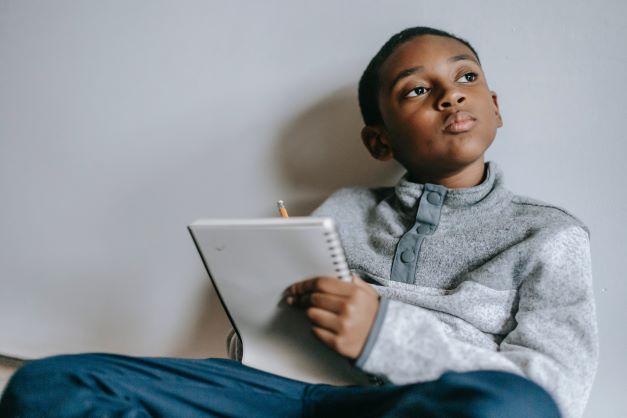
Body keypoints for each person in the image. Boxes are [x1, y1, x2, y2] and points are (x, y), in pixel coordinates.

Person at [0, 26, 597, 418]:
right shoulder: (344, 209)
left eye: (467, 78)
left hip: (412, 408)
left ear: (495, 106)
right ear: (379, 141)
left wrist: (386, 336)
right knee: (48, 385)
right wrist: (256, 325)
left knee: (516, 409)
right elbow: (276, 335)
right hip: (284, 396)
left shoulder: (547, 237)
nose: (449, 96)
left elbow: (556, 396)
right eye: (417, 90)